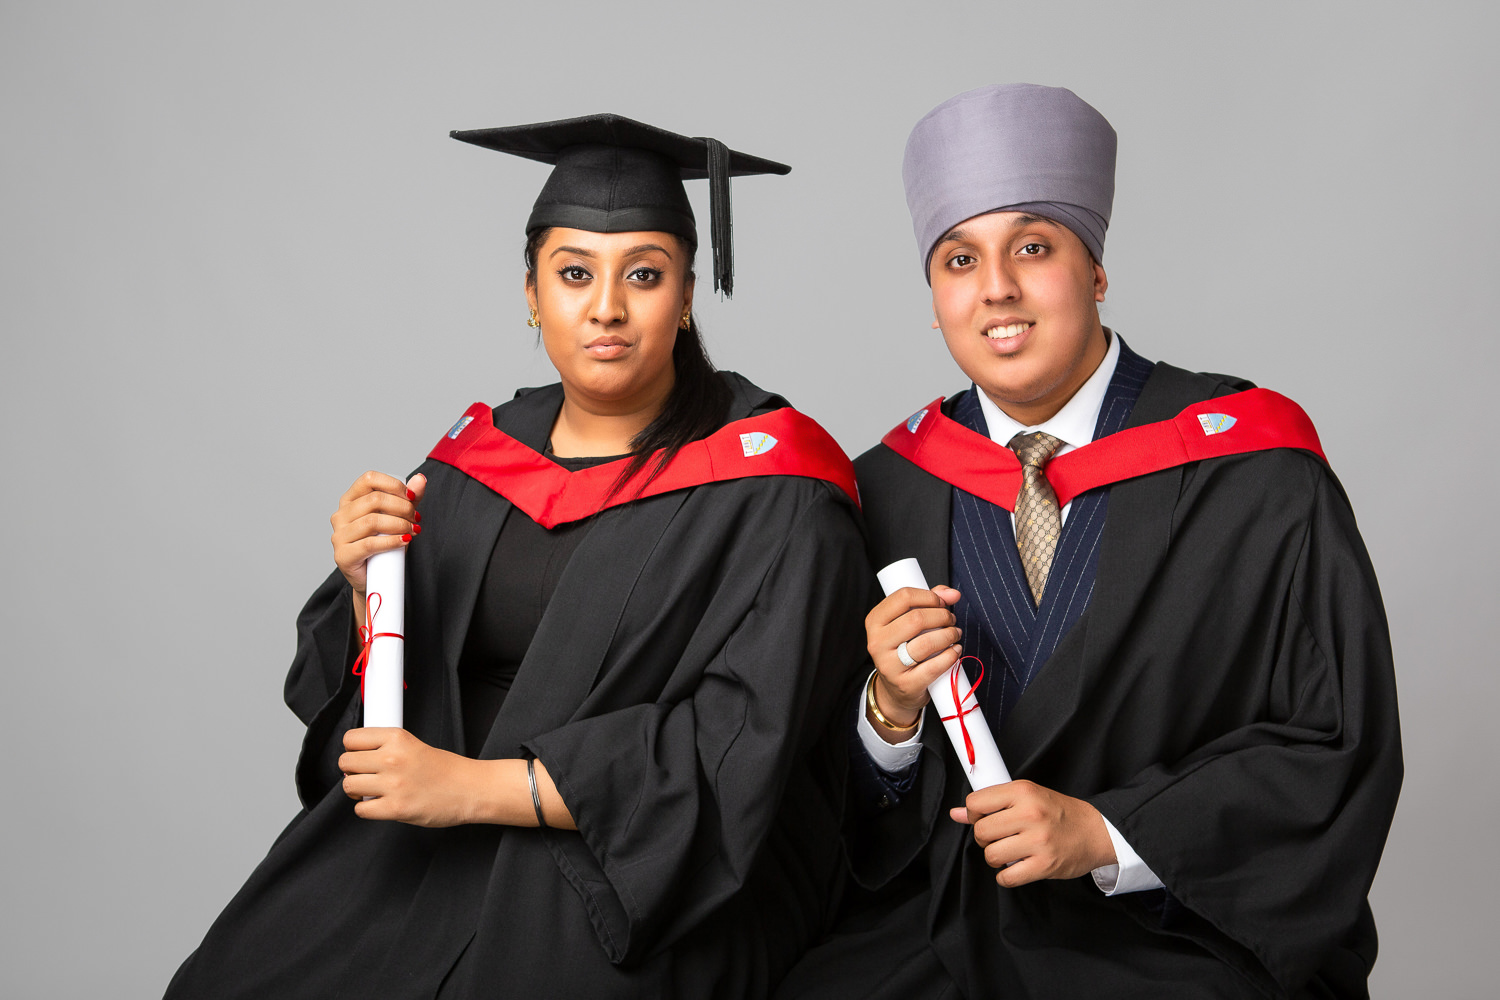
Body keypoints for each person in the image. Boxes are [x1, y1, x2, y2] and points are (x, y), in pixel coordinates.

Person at [166, 114, 871, 1000]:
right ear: (533, 294)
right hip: (431, 830)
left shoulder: (778, 487)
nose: (605, 308)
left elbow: (740, 748)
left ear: (687, 294)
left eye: (643, 276)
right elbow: (374, 699)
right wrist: (363, 591)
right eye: (574, 274)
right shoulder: (481, 455)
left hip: (646, 872)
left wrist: (471, 790)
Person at [778, 84, 1402, 999]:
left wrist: (1104, 834)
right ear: (935, 295)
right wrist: (890, 713)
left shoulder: (1252, 468)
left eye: (1033, 248)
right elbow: (815, 797)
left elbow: (1333, 741)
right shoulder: (887, 487)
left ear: (1097, 271)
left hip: (1176, 930)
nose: (996, 288)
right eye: (959, 260)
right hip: (946, 927)